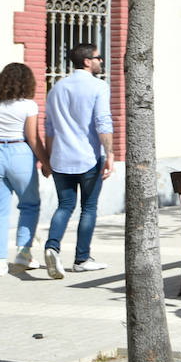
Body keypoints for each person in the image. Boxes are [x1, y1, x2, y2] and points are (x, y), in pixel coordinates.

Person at [44, 43, 115, 279]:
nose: (101, 62)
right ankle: (82, 258)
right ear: (87, 61)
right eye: (98, 58)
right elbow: (103, 122)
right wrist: (111, 154)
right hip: (87, 158)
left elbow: (50, 128)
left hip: (61, 158)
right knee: (89, 207)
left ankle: (52, 247)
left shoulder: (57, 88)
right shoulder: (98, 87)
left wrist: (47, 158)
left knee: (64, 206)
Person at [0, 62, 48, 276]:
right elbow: (32, 138)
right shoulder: (28, 106)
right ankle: (23, 252)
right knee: (29, 205)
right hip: (19, 151)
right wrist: (46, 163)